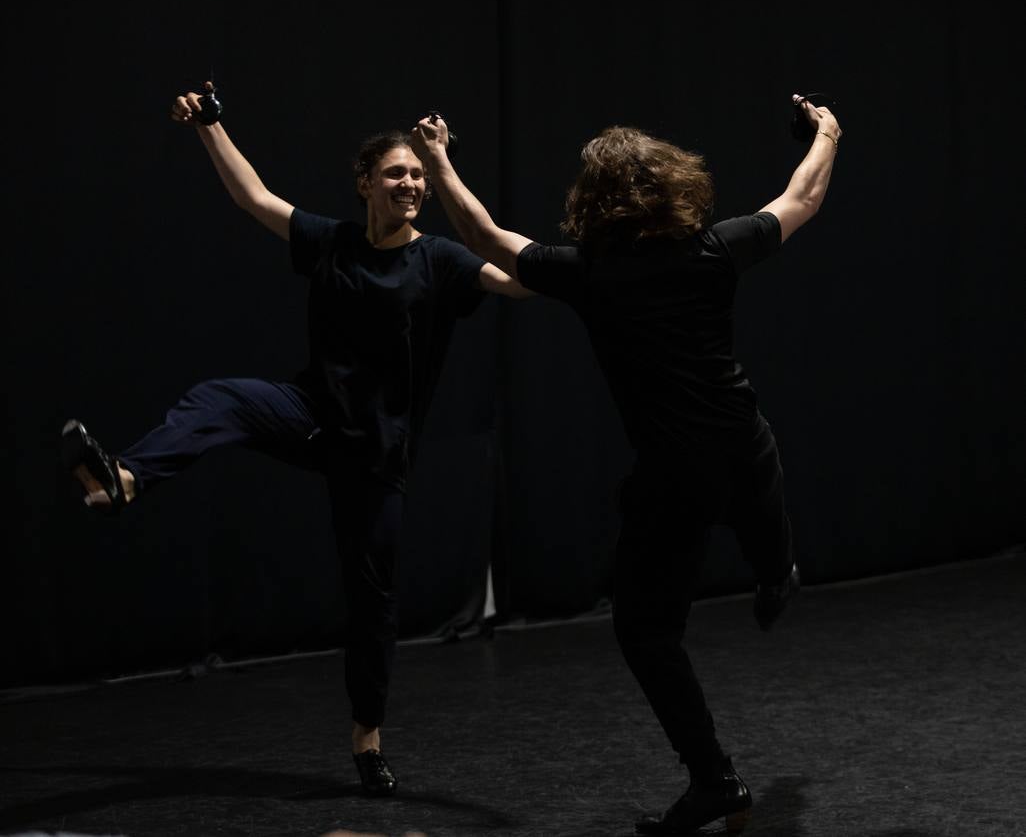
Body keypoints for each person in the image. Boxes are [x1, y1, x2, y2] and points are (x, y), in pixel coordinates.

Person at [60, 83, 531, 797]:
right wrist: (211, 126)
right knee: (219, 398)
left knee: (374, 605)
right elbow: (255, 198)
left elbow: (516, 281)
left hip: (376, 454)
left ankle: (366, 737)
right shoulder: (333, 242)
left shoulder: (440, 261)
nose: (409, 184)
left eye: (418, 176)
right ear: (366, 182)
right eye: (396, 173)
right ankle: (123, 480)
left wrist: (454, 174)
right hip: (311, 416)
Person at [409, 95, 841, 834]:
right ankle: (775, 571)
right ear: (675, 185)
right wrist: (828, 131)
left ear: (594, 202)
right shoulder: (715, 248)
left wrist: (437, 158)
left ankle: (715, 781)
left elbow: (482, 233)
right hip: (744, 444)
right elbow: (802, 195)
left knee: (646, 634)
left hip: (675, 475)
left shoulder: (589, 273)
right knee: (763, 517)